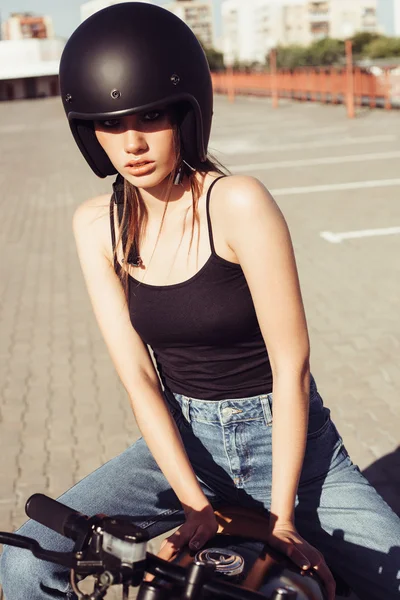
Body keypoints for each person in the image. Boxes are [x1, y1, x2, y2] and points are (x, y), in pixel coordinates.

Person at [1, 3, 399, 600]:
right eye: (111, 123)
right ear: (88, 131)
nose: (132, 143)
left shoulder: (238, 203)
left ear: (187, 113)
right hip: (183, 443)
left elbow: (292, 370)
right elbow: (139, 378)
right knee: (26, 564)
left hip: (290, 443)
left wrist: (282, 522)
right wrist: (193, 503)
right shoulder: (95, 225)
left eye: (151, 116)